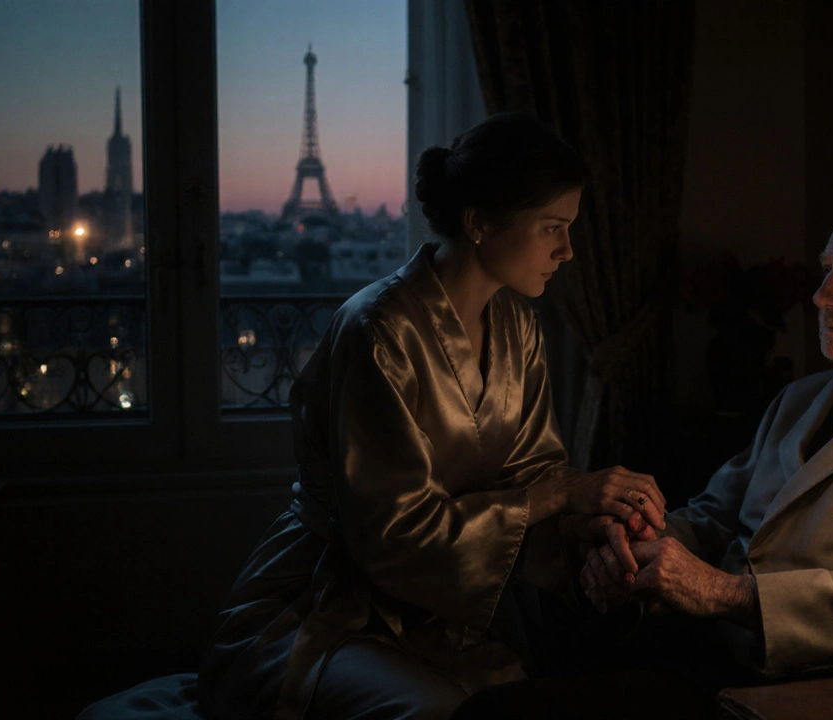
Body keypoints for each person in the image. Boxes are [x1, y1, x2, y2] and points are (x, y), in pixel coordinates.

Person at [456, 194, 833, 718]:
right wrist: (636, 544)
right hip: (691, 642)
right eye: (828, 270)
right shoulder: (801, 398)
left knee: (502, 713)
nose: (821, 295)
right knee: (522, 608)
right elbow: (713, 514)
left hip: (796, 682)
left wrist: (724, 593)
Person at [195, 112, 667, 720]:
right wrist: (559, 496)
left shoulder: (519, 325)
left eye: (569, 228)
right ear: (479, 223)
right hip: (324, 600)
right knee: (437, 710)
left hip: (436, 608)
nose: (568, 250)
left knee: (526, 697)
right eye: (552, 227)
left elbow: (533, 475)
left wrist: (592, 527)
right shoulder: (377, 330)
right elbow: (393, 534)